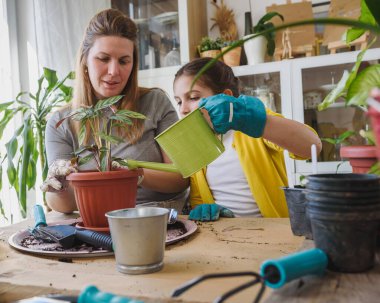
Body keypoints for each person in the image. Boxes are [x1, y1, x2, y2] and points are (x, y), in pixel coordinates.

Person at [41, 9, 188, 213]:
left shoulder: (155, 102)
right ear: (85, 61)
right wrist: (58, 187)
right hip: (99, 220)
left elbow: (181, 178)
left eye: (123, 61)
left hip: (161, 215)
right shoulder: (61, 122)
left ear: (133, 64)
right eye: (103, 58)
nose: (113, 71)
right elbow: (64, 205)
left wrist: (134, 173)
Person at [173, 57, 322, 221]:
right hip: (224, 237)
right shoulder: (196, 145)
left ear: (225, 96)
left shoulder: (252, 125)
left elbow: (312, 146)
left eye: (193, 97)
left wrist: (252, 120)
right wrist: (203, 209)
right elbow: (198, 199)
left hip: (273, 232)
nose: (183, 109)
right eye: (179, 101)